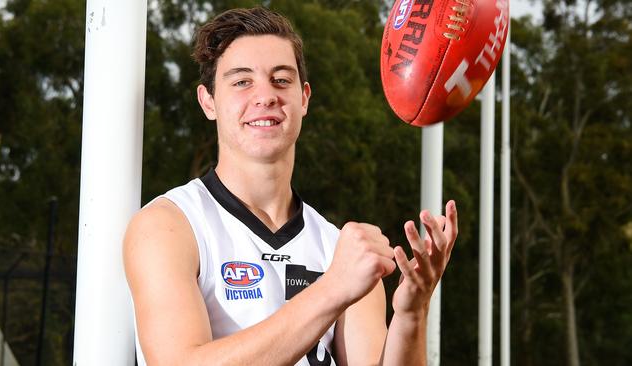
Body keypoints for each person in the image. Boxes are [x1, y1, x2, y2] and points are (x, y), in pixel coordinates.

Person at [123, 7, 458, 366]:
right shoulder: (169, 226)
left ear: (304, 98)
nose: (265, 95)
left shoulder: (340, 250)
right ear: (208, 102)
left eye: (281, 80)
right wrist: (332, 289)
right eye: (241, 81)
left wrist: (412, 312)